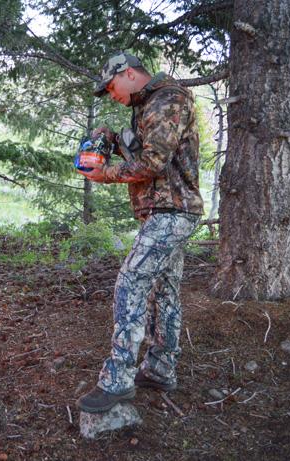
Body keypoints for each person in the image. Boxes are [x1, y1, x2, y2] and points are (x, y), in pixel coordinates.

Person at [76, 52, 204, 413]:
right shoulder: (150, 104)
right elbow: (145, 146)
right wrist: (112, 138)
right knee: (163, 291)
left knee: (131, 283)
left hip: (172, 211)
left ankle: (117, 380)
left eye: (112, 87)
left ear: (128, 74)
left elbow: (152, 163)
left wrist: (105, 173)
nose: (111, 95)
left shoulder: (167, 99)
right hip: (166, 212)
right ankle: (161, 369)